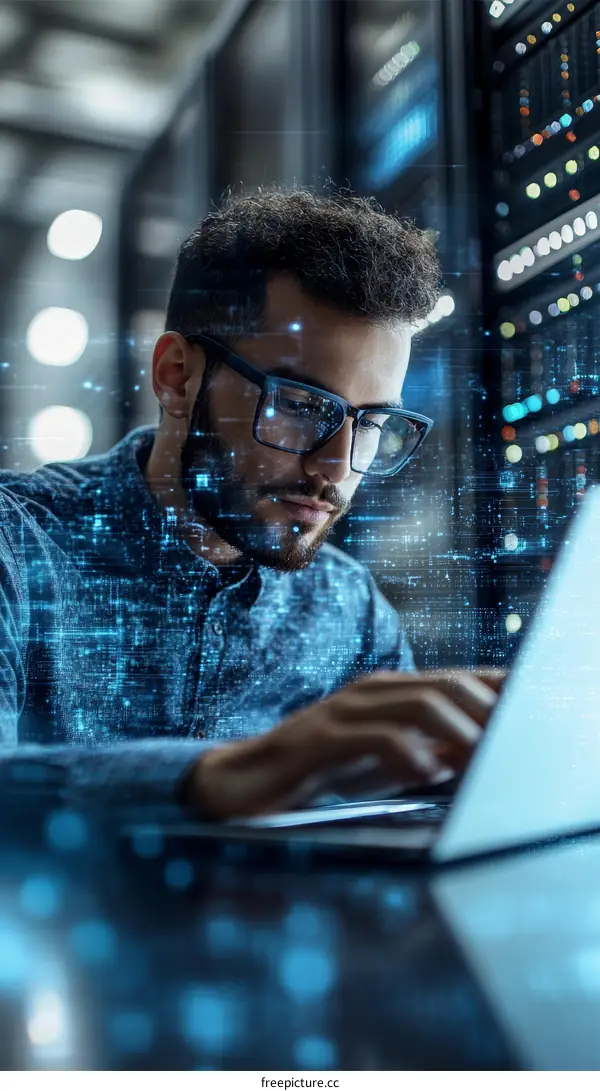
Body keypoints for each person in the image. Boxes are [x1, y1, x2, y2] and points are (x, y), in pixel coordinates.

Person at [0, 188, 503, 818]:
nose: (336, 467)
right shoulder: (16, 548)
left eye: (372, 424)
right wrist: (233, 773)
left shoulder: (351, 614)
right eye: (298, 405)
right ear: (176, 377)